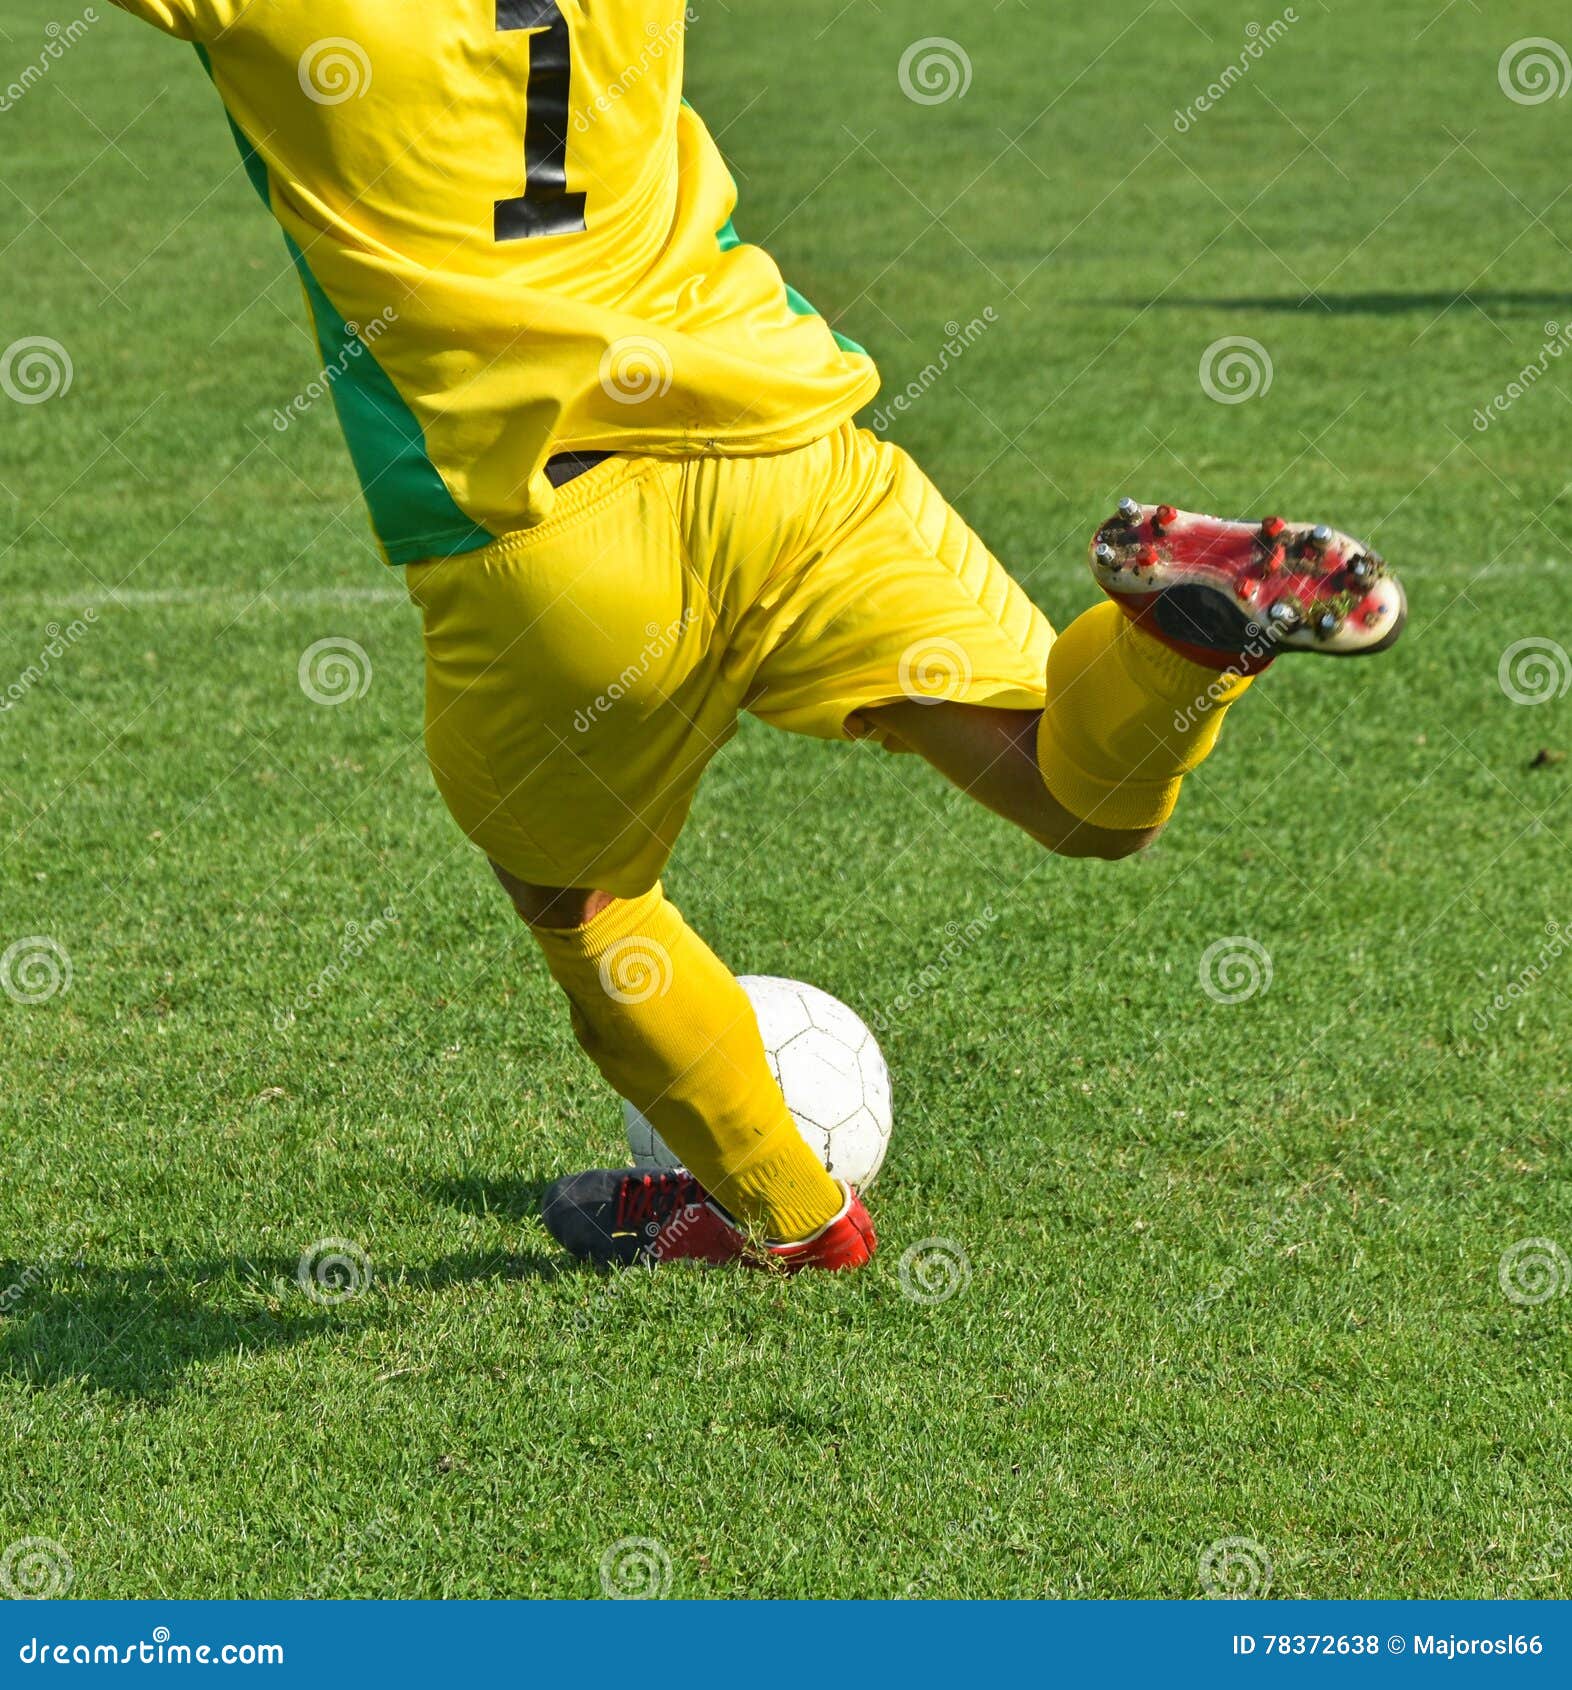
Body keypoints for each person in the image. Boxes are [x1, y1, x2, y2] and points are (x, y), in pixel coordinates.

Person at [107, 1, 1404, 1273]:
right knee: (1083, 794)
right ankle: (1187, 642)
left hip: (550, 539)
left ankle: (791, 1215)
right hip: (794, 456)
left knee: (585, 902)